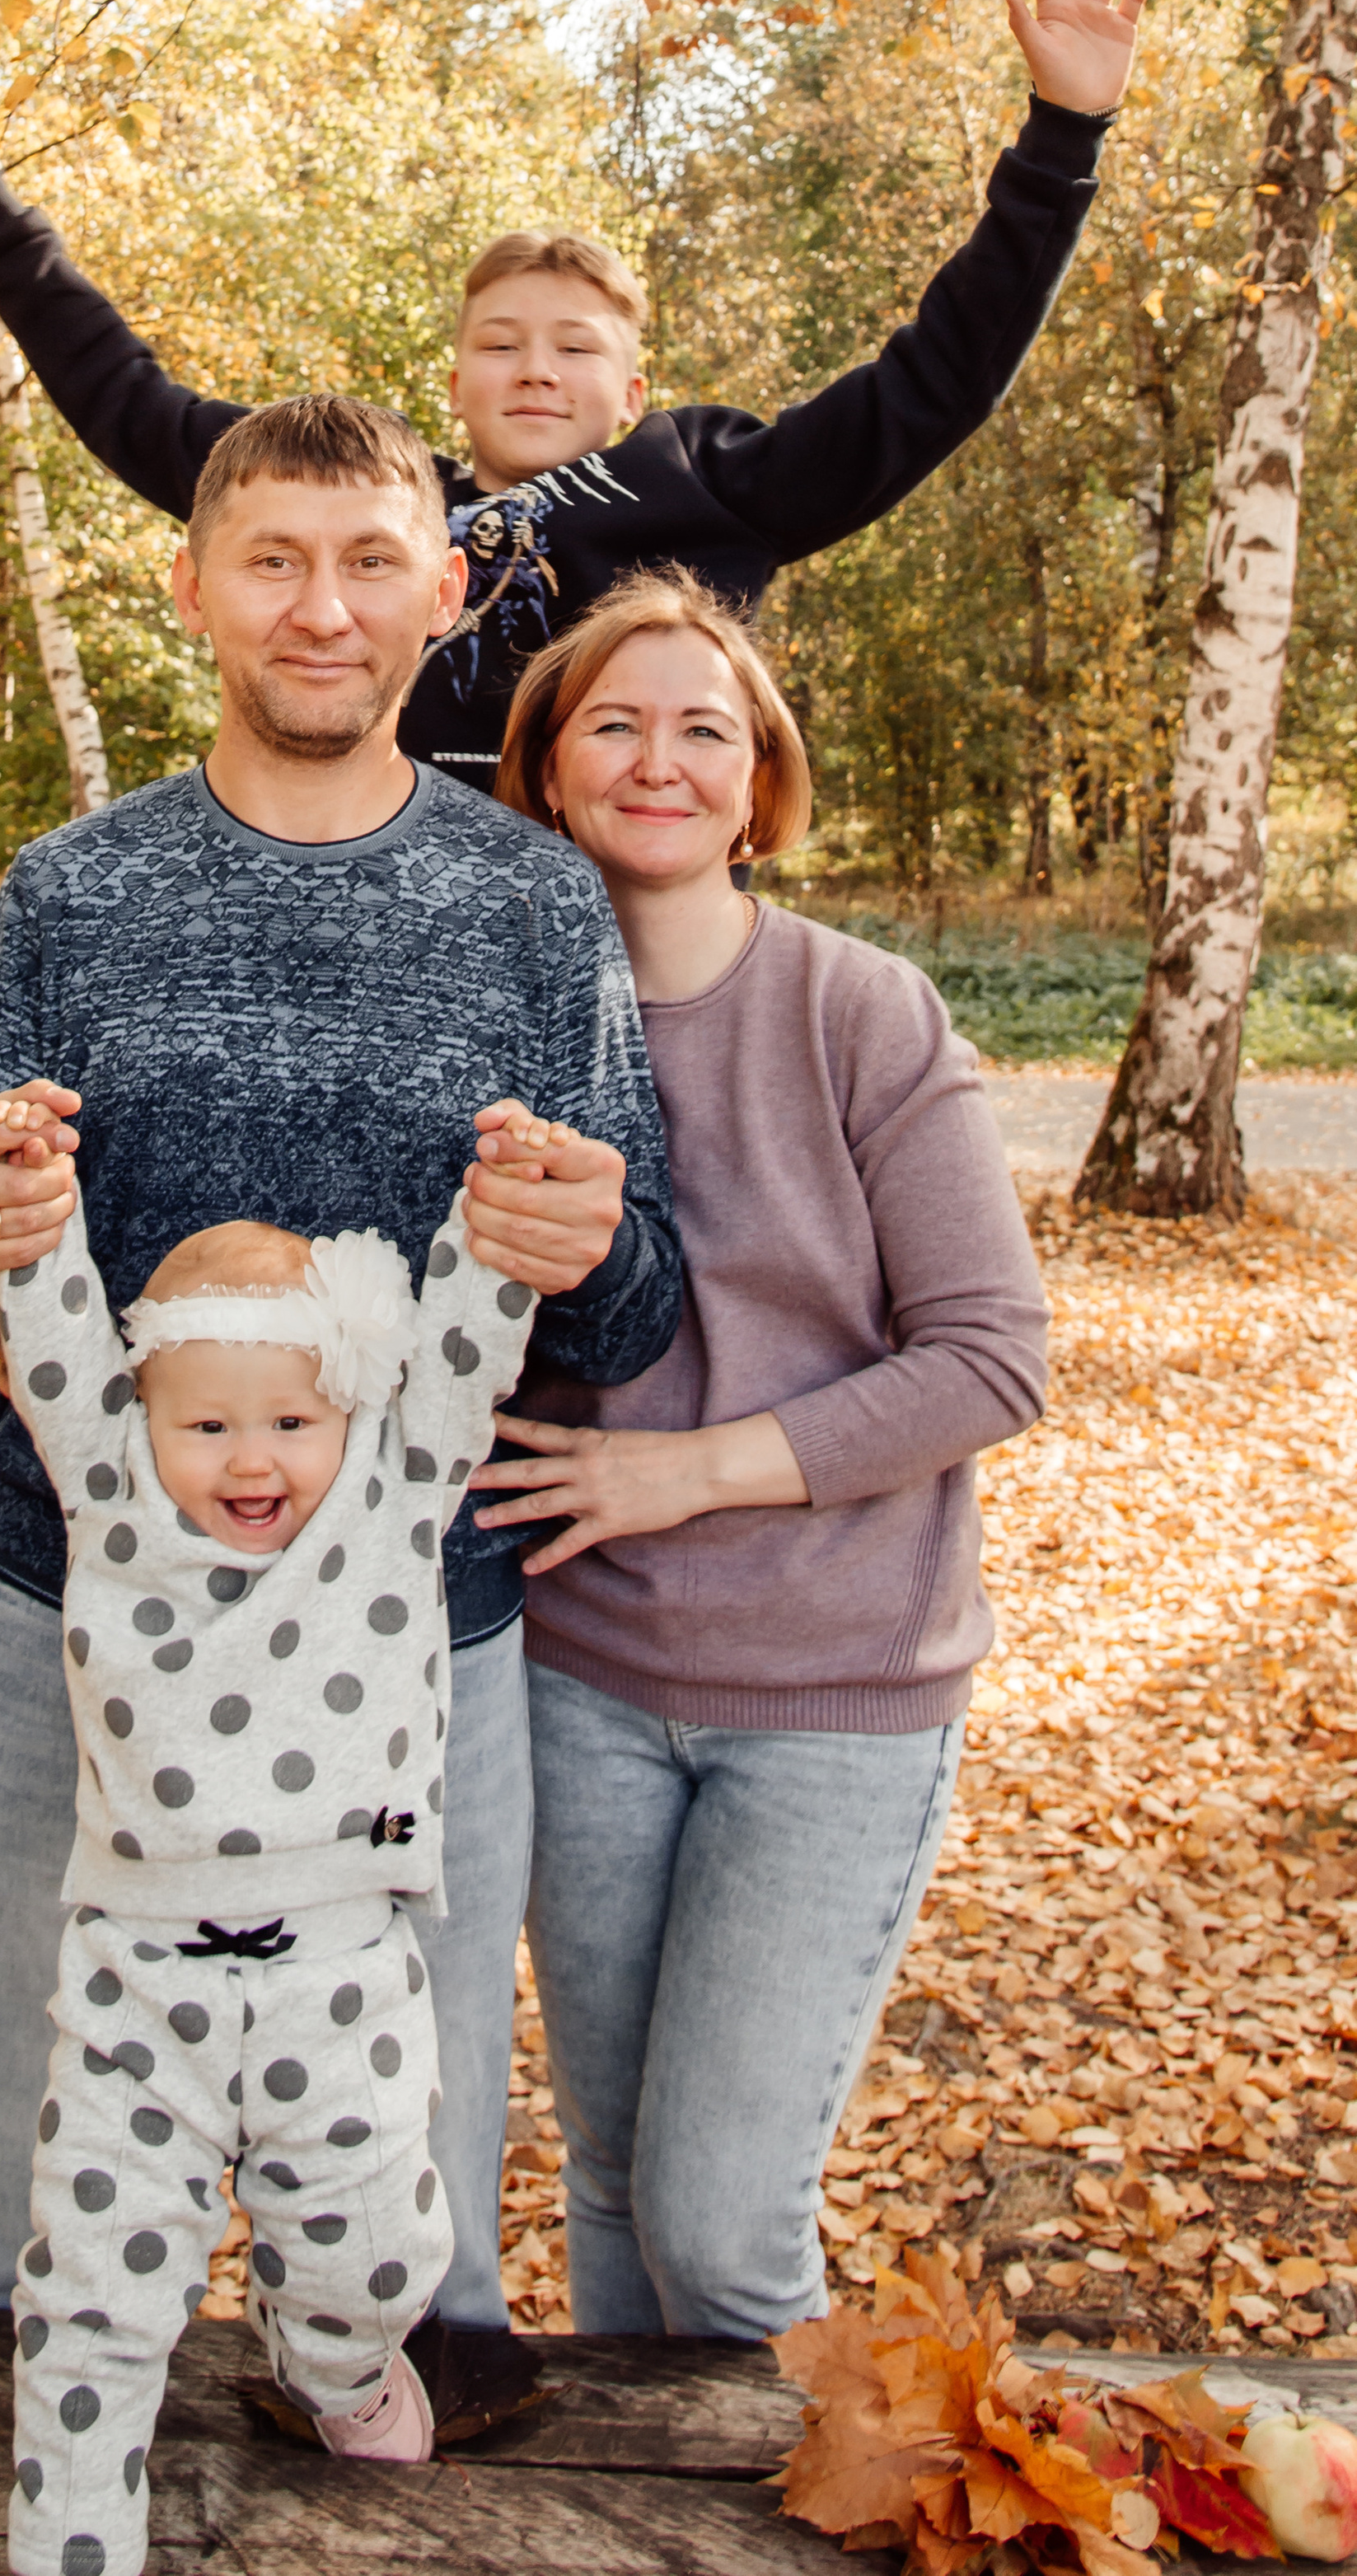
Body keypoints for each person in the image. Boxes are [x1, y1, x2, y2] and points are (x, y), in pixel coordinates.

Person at [0, 393, 679, 2399]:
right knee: (43, 2139)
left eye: (370, 561)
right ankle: (43, 2476)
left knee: (409, 2169)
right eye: (275, 561)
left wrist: (589, 1246)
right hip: (74, 1626)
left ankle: (386, 2436)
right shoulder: (73, 893)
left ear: (442, 592)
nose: (322, 610)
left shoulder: (529, 903)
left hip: (415, 1643)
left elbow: (629, 1312)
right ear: (192, 586)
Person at [0, 0, 1152, 786]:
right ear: (455, 382)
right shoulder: (371, 498)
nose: (536, 367)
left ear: (632, 389)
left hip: (627, 937)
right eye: (501, 343)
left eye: (574, 347)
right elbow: (128, 401)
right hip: (409, 929)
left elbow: (937, 380)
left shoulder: (706, 480)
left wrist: (1065, 133)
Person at [470, 569, 1049, 2339]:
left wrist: (684, 1469)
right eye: (613, 725)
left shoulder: (860, 1011)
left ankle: (818, 2472)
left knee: (721, 2232)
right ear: (546, 770)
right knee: (609, 2179)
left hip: (831, 1692)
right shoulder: (498, 1022)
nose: (658, 760)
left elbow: (990, 1360)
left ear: (759, 782)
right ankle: (646, 2497)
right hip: (577, 1676)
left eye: (702, 730)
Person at [0, 1098, 565, 2573]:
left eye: (291, 1422)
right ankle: (73, 2538)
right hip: (138, 1985)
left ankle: (335, 2362)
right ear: (144, 1418)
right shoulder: (110, 1491)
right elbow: (49, 1328)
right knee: (92, 2300)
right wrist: (33, 1193)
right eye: (209, 1424)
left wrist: (497, 1209)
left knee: (379, 2257)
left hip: (341, 1973)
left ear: (346, 1411)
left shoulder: (395, 1492)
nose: (253, 1461)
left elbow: (468, 1348)